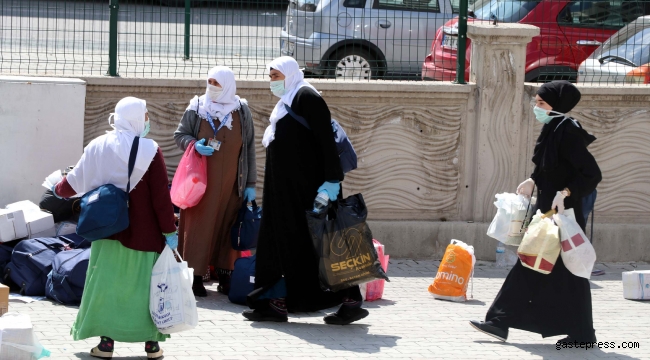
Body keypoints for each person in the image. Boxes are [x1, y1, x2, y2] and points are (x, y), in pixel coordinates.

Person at [470, 81, 602, 344]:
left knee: (543, 266)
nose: (536, 107)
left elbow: (592, 174)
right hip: (548, 214)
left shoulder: (568, 133)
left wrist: (565, 193)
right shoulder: (554, 128)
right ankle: (581, 333)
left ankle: (501, 321)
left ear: (557, 105)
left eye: (541, 103)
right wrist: (534, 180)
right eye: (537, 102)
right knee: (556, 271)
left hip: (562, 215)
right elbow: (550, 165)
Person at [242, 56, 368, 325]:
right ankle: (273, 302)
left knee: (321, 246)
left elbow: (325, 140)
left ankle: (351, 300)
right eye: (270, 76)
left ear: (290, 74)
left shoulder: (307, 97)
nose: (272, 82)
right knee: (278, 244)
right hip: (284, 193)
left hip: (310, 191)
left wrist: (332, 182)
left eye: (276, 76)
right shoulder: (287, 101)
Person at [53, 97, 177, 359]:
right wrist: (170, 230)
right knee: (145, 287)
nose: (147, 121)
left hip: (106, 230)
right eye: (145, 116)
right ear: (135, 118)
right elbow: (160, 198)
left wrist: (56, 187)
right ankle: (152, 346)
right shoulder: (150, 149)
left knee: (106, 287)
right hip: (144, 234)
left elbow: (72, 185)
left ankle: (106, 345)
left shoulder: (98, 144)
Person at [174, 66, 257, 297]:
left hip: (233, 184)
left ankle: (226, 275)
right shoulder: (197, 107)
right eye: (209, 81)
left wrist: (250, 184)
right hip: (200, 184)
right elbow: (179, 135)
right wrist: (194, 145)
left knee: (227, 228)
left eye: (217, 82)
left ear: (228, 85)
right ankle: (195, 277)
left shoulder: (241, 110)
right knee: (198, 227)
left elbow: (249, 147)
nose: (211, 86)